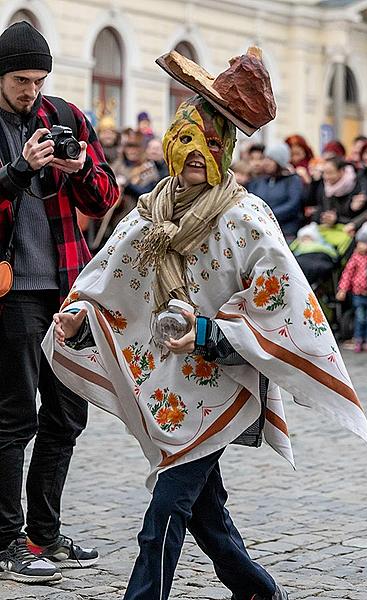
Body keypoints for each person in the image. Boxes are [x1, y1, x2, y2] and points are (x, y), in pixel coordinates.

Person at [44, 47, 367, 600]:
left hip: (222, 384)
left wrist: (209, 334)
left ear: (226, 153)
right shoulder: (153, 210)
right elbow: (110, 273)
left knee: (168, 508)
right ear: (173, 143)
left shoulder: (247, 218)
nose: (198, 156)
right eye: (188, 141)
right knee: (203, 506)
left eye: (213, 145)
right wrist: (81, 313)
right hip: (169, 386)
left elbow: (284, 306)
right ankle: (255, 586)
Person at [0, 21, 119, 583]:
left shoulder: (66, 116)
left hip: (67, 286)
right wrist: (20, 169)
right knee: (15, 416)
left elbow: (106, 198)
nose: (31, 90)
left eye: (39, 80)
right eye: (21, 79)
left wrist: (80, 170)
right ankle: (4, 541)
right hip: (10, 288)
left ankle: (42, 535)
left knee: (68, 414)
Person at [247, 142, 303, 241]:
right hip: (261, 230)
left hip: (286, 232)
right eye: (266, 158)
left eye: (271, 159)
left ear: (280, 162)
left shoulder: (292, 180)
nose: (266, 162)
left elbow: (292, 205)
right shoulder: (259, 181)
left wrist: (269, 215)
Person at [336, 225, 367, 353]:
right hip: (357, 293)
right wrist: (342, 289)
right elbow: (347, 274)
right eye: (359, 243)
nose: (360, 246)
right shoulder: (355, 257)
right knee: (360, 317)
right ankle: (358, 339)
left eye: (364, 243)